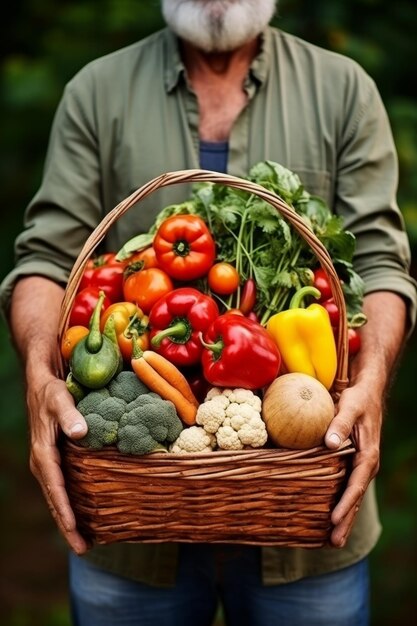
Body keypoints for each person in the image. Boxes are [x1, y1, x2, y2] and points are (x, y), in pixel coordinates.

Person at [1, 1, 416, 624]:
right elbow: (46, 256)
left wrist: (375, 383)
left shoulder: (343, 88)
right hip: (129, 514)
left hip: (307, 511)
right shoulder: (96, 90)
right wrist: (39, 375)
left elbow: (381, 264)